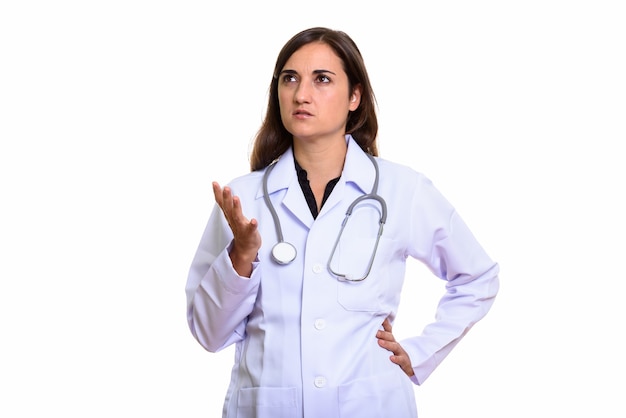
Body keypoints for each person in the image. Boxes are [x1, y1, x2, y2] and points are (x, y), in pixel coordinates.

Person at [185, 27, 500, 418]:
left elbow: (478, 277)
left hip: (371, 405)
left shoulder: (402, 189)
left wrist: (419, 353)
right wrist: (241, 256)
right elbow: (208, 334)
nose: (301, 94)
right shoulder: (242, 199)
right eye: (290, 79)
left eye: (322, 79)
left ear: (355, 97)